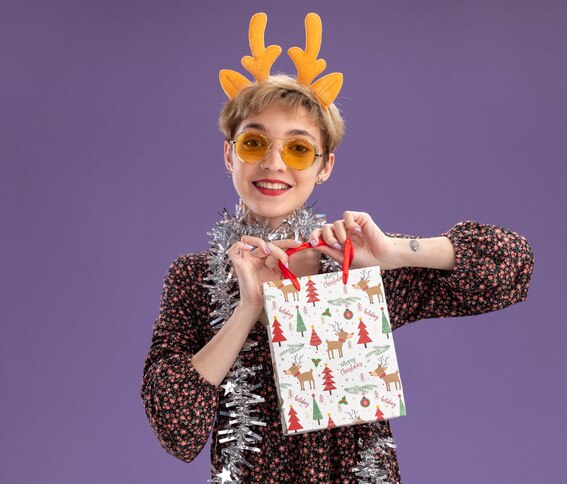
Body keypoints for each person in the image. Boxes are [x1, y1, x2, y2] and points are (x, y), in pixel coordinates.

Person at [140, 12, 534, 483]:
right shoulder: (194, 278)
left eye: (299, 148)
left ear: (324, 166)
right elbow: (176, 429)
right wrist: (248, 307)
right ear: (229, 155)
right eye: (253, 143)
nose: (273, 163)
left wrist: (394, 253)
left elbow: (510, 266)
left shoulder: (350, 262)